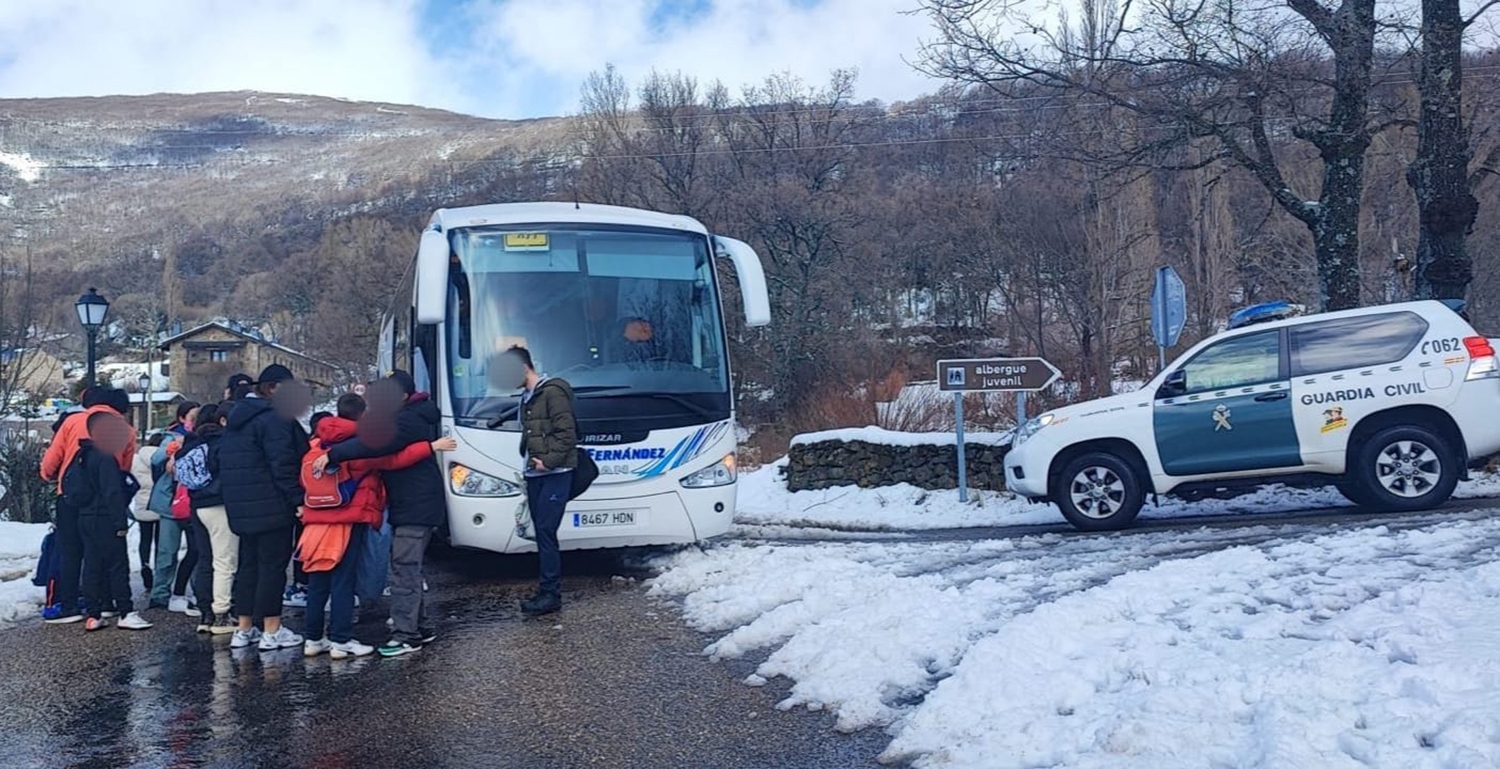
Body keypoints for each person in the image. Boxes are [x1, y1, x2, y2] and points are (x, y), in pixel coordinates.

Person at [301, 393, 454, 659]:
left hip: (315, 522)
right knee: (344, 580)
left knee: (317, 581)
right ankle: (341, 639)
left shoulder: (316, 443)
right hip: (346, 520)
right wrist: (431, 446)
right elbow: (394, 460)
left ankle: (313, 639)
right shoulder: (360, 444)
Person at [219, 364, 309, 652]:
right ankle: (272, 629)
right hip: (272, 506)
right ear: (273, 389)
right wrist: (297, 500)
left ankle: (244, 629)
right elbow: (282, 464)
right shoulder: (275, 419)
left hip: (241, 508)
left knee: (248, 567)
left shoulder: (236, 420)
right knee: (272, 568)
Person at [40, 387, 137, 624]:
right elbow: (123, 470)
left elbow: (52, 459)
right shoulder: (125, 429)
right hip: (103, 502)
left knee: (70, 551)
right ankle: (105, 603)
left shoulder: (73, 421)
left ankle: (70, 605)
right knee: (103, 552)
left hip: (71, 496)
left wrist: (49, 475)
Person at [509, 346, 578, 616]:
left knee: (546, 531)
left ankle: (551, 594)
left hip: (555, 474)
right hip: (535, 474)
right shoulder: (527, 396)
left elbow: (568, 434)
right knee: (542, 533)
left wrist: (548, 461)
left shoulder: (552, 392)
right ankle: (547, 590)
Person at [72, 411, 153, 632]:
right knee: (118, 565)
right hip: (105, 517)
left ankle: (93, 613)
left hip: (85, 516)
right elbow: (112, 492)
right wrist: (120, 523)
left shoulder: (82, 454)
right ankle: (126, 611)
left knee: (91, 565)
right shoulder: (105, 457)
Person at [175, 403, 236, 634]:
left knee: (205, 559)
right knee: (225, 561)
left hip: (197, 505)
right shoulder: (222, 443)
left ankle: (206, 614)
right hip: (219, 504)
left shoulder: (191, 444)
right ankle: (222, 614)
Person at [149, 401, 202, 613]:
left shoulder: (202, 438)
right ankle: (160, 594)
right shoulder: (171, 437)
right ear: (182, 418)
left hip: (193, 503)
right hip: (169, 503)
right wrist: (173, 448)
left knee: (197, 551)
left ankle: (199, 592)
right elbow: (155, 459)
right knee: (167, 552)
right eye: (191, 417)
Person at [131, 432, 164, 593]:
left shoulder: (136, 460)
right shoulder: (163, 459)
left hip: (142, 507)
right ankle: (159, 572)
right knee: (160, 542)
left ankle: (145, 565)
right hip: (160, 506)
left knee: (145, 540)